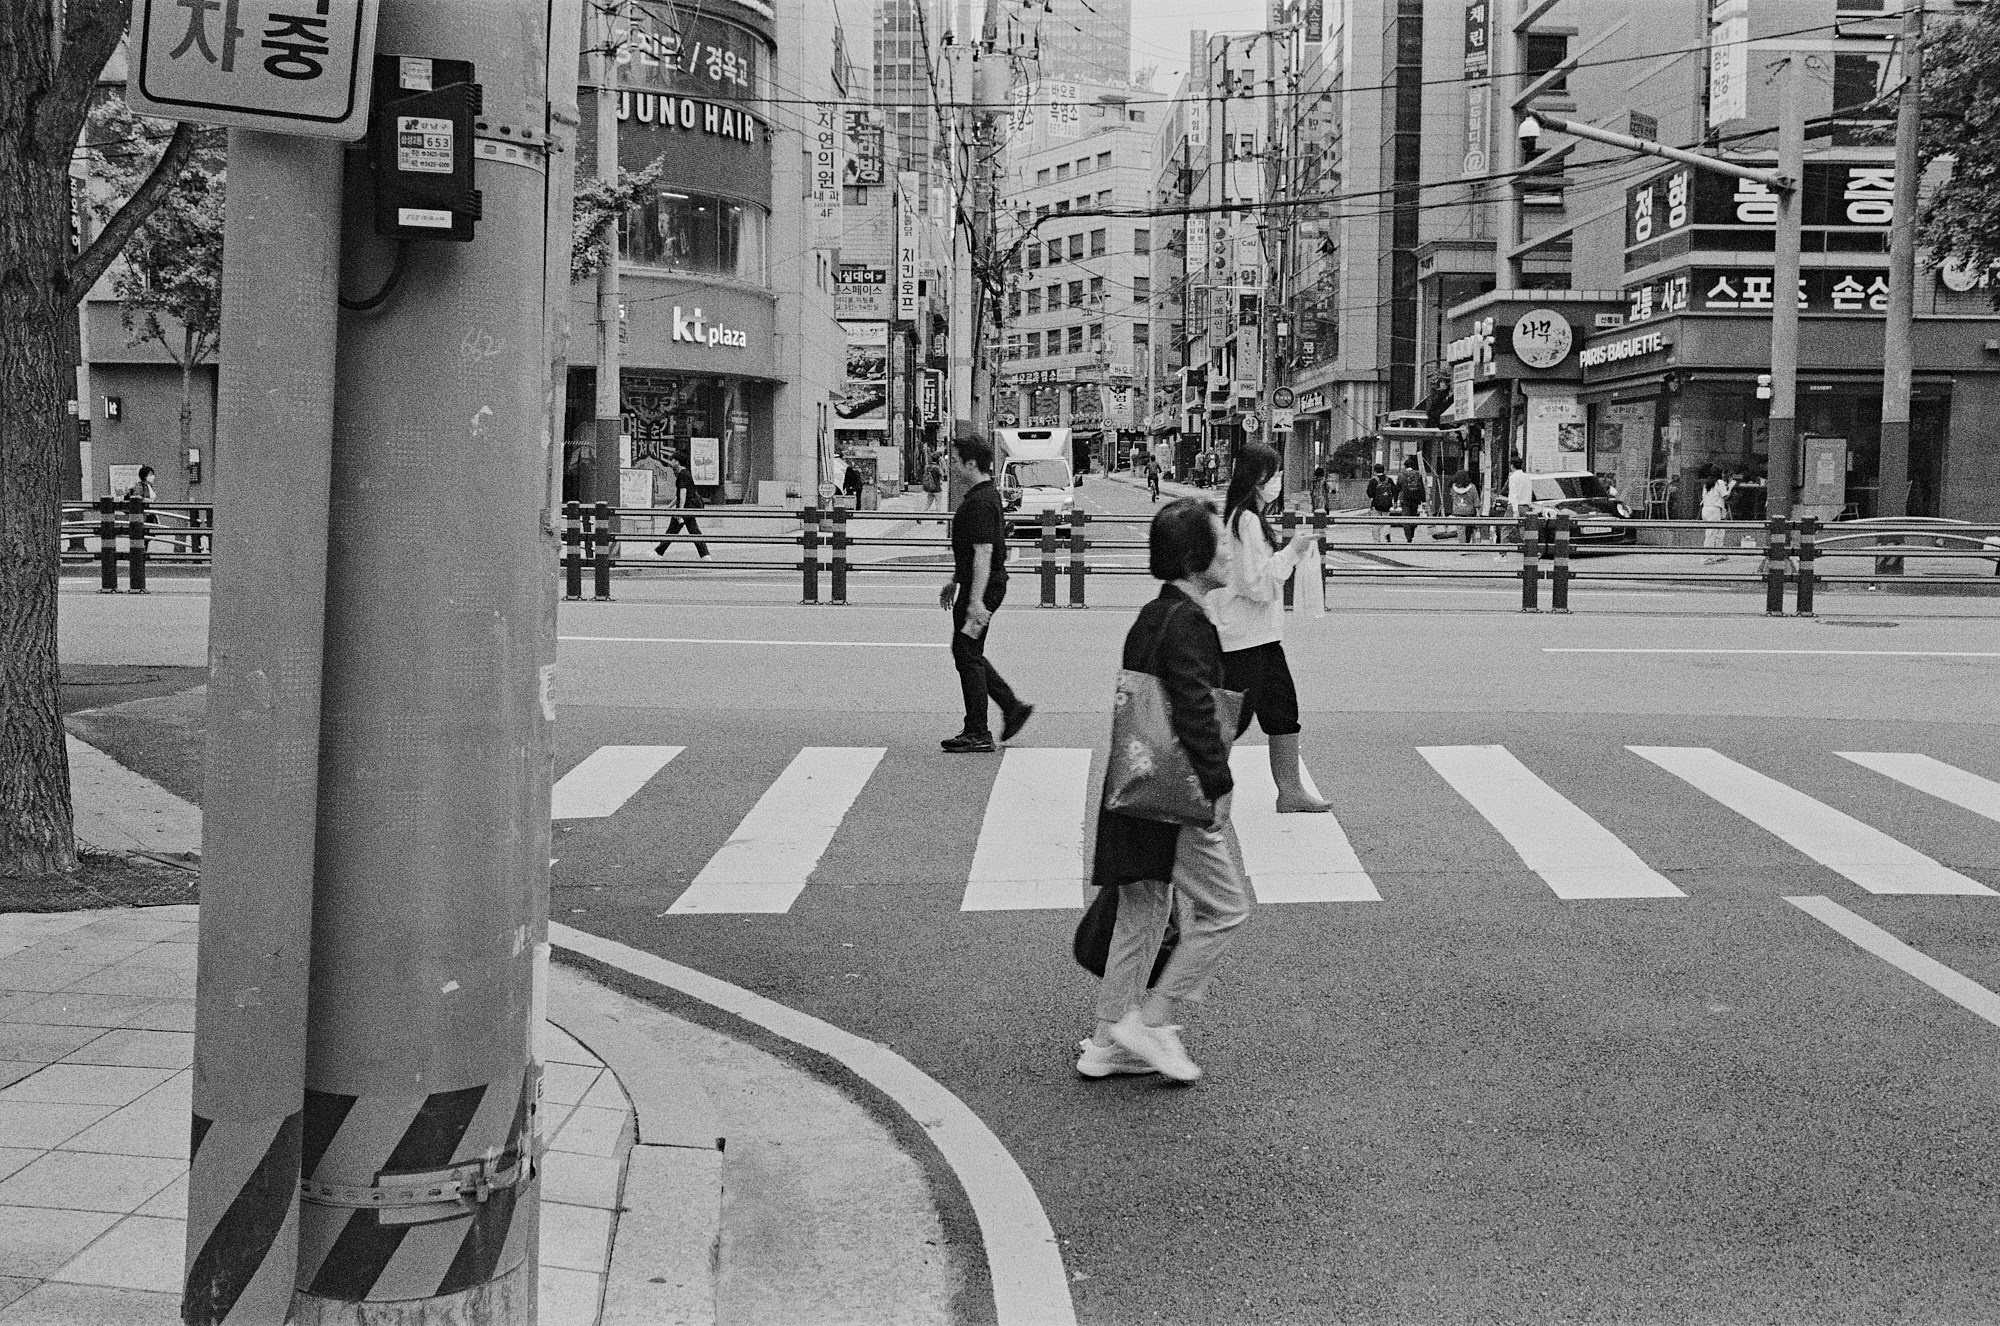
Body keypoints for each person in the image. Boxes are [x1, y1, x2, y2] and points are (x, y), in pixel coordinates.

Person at [1080, 496, 1248, 1084]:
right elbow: (1196, 709)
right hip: (1173, 799)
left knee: (1143, 912)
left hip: (1136, 787)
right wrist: (1217, 785)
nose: (1227, 550)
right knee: (1226, 908)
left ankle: (1107, 1042)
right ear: (1193, 555)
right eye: (1219, 541)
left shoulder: (1154, 616)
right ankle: (1152, 1019)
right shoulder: (1189, 624)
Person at [1212, 442, 1332, 815]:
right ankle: (1205, 795)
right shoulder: (1245, 520)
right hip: (1244, 637)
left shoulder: (1246, 518)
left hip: (1259, 636)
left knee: (1281, 710)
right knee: (1227, 721)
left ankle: (1290, 791)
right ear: (1255, 478)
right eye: (1273, 474)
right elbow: (1256, 586)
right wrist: (1293, 552)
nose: (1278, 481)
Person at [938, 433, 1033, 753]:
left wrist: (975, 600)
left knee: (966, 652)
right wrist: (956, 580)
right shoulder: (984, 495)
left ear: (971, 463)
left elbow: (982, 553)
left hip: (984, 588)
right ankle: (1011, 708)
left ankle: (979, 730)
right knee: (967, 651)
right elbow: (972, 553)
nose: (950, 465)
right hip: (980, 585)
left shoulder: (980, 502)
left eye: (954, 460)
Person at [653, 457, 710, 558]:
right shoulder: (685, 473)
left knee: (673, 530)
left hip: (686, 508)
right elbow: (679, 494)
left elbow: (683, 492)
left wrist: (680, 509)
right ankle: (705, 555)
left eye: (672, 460)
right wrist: (670, 506)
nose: (671, 462)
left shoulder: (683, 474)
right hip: (688, 507)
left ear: (677, 461)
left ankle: (658, 552)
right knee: (693, 531)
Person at [1700, 463, 1734, 564]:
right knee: (1711, 533)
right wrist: (1731, 487)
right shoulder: (1719, 482)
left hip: (1706, 508)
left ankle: (1718, 554)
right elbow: (1725, 496)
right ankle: (1706, 557)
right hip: (1714, 510)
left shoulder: (1708, 483)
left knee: (1719, 531)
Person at [1396, 456, 1426, 543]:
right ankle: (1412, 533)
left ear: (1405, 466)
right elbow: (1421, 488)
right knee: (1413, 516)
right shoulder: (1418, 474)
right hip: (1415, 499)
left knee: (1405, 517)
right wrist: (1423, 500)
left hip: (1405, 499)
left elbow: (1398, 487)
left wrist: (1396, 498)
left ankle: (1408, 536)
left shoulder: (1401, 475)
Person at [1366, 462, 1396, 541]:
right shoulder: (1389, 480)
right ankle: (1387, 535)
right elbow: (1395, 490)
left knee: (1376, 523)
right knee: (1386, 521)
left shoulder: (1373, 481)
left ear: (1375, 471)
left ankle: (1377, 539)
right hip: (1387, 505)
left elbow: (1370, 494)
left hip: (1376, 505)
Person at [1449, 470, 1480, 542]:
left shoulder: (1453, 487)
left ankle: (1462, 546)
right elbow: (1476, 500)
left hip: (1458, 510)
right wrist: (1478, 512)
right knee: (1468, 529)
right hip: (1469, 512)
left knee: (1460, 530)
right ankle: (1467, 543)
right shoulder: (1472, 487)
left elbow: (1452, 497)